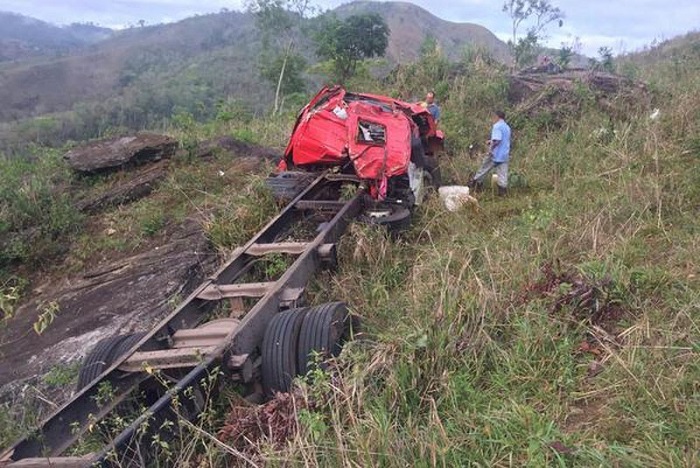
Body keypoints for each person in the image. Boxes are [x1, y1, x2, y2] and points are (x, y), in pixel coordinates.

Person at [467, 110, 511, 196]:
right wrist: (491, 141)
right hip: (504, 154)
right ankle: (503, 193)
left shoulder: (497, 126)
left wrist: (490, 149)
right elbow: (502, 139)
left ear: (497, 117)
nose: (492, 118)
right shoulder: (507, 127)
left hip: (495, 154)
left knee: (483, 169)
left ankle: (475, 186)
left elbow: (497, 140)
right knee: (503, 174)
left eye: (493, 116)